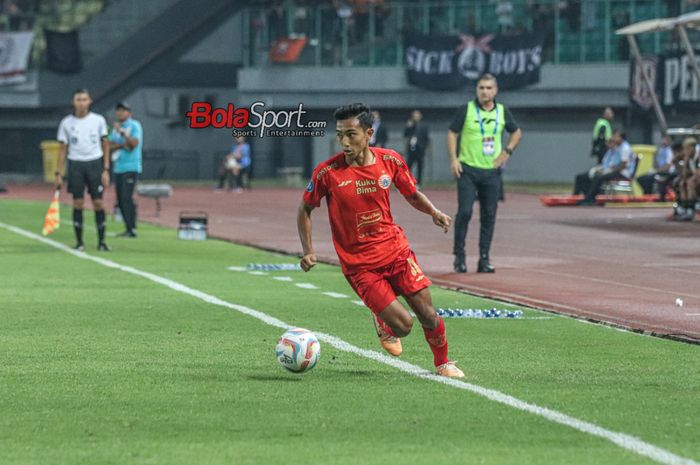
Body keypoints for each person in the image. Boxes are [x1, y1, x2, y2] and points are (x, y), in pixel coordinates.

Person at [297, 103, 464, 379]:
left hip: (396, 251)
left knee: (428, 314)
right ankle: (383, 320)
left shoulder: (391, 161)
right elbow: (304, 209)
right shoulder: (328, 173)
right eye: (340, 135)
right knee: (403, 327)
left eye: (351, 134)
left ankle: (443, 364)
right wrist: (308, 251)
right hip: (360, 266)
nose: (344, 142)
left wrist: (433, 212)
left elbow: (411, 194)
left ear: (369, 133)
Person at [448, 73, 522, 273]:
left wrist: (507, 152)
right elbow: (452, 132)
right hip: (468, 170)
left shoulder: (502, 111)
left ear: (495, 90)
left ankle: (484, 259)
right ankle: (459, 256)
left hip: (491, 172)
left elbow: (516, 132)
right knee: (465, 212)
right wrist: (454, 159)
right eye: (481, 88)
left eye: (489, 88)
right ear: (477, 90)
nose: (485, 91)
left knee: (489, 215)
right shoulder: (467, 110)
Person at [54, 88, 111, 251]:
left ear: (89, 101)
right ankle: (79, 242)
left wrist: (105, 169)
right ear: (74, 102)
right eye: (78, 99)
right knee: (78, 202)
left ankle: (102, 241)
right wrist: (58, 173)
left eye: (84, 99)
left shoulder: (98, 120)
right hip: (76, 163)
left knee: (98, 202)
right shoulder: (66, 123)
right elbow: (63, 148)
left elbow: (105, 144)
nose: (81, 103)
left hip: (94, 163)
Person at [108, 101, 142, 238]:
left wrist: (122, 134)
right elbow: (110, 145)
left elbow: (133, 143)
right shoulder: (115, 128)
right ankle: (128, 227)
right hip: (119, 167)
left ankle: (132, 228)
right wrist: (122, 144)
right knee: (120, 199)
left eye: (124, 110)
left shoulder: (134, 125)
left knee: (127, 197)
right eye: (119, 110)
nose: (121, 113)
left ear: (129, 112)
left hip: (131, 166)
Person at [576, 130, 635, 206]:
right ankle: (588, 197)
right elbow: (610, 153)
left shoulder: (625, 148)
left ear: (621, 138)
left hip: (623, 172)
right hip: (616, 170)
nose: (614, 138)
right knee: (593, 175)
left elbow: (623, 165)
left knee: (599, 177)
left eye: (616, 136)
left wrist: (609, 171)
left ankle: (591, 199)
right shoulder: (617, 147)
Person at [404, 109, 430, 185]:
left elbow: (426, 138)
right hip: (411, 149)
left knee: (420, 166)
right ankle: (407, 182)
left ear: (420, 116)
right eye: (414, 115)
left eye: (417, 115)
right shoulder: (410, 124)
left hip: (420, 149)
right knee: (408, 166)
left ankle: (419, 183)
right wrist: (408, 127)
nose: (416, 117)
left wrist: (424, 147)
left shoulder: (424, 126)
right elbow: (405, 134)